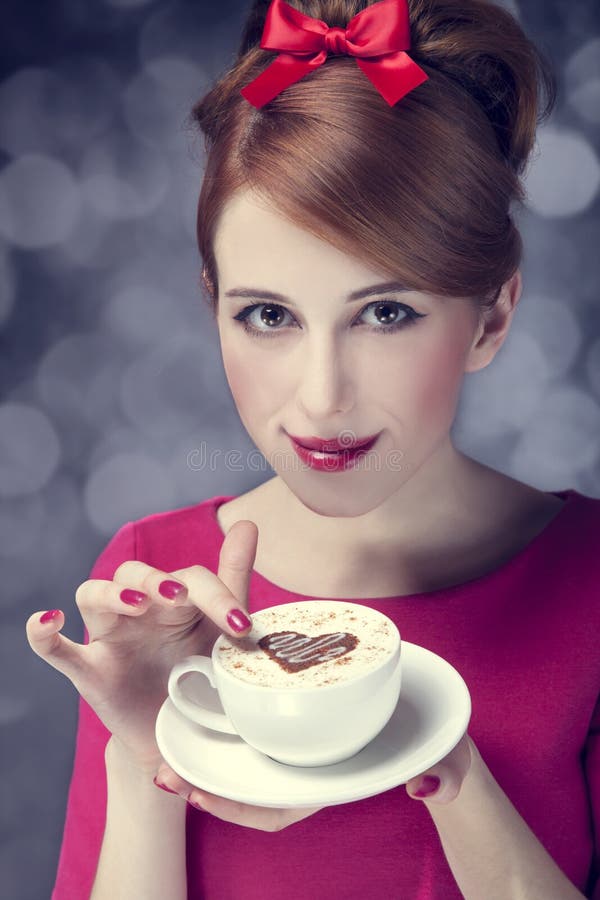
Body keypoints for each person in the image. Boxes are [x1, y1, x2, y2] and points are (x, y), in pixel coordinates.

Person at [26, 0, 599, 897]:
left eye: (385, 313)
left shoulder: (590, 584)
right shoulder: (153, 587)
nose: (322, 397)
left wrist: (449, 769)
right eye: (268, 315)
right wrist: (152, 761)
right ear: (211, 304)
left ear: (491, 316)